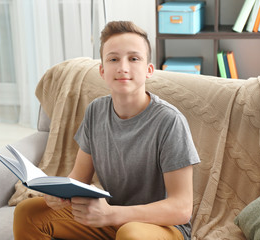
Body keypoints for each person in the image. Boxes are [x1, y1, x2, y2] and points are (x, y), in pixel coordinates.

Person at [13, 21, 200, 240]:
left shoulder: (170, 122)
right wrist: (56, 195)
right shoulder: (95, 111)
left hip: (162, 227)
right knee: (28, 212)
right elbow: (79, 179)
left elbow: (181, 208)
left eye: (134, 58)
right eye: (113, 59)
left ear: (149, 70)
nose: (123, 67)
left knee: (131, 234)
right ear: (102, 71)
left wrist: (111, 214)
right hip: (111, 216)